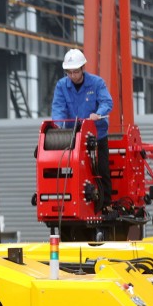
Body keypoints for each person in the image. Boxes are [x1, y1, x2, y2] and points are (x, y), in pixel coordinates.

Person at [51, 48, 114, 209]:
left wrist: (98, 114)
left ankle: (105, 204)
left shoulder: (97, 83)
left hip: (97, 135)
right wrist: (57, 126)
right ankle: (74, 203)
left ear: (83, 69)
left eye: (76, 72)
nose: (73, 76)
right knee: (72, 170)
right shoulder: (62, 86)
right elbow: (58, 108)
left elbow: (107, 102)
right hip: (74, 137)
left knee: (101, 169)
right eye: (69, 72)